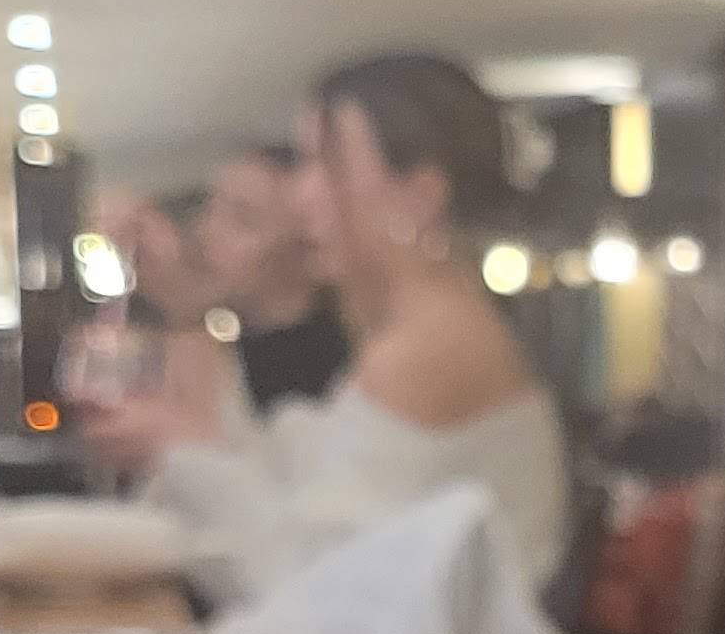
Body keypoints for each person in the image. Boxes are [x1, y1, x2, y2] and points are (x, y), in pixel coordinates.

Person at [95, 53, 566, 604]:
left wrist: (183, 448)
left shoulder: (430, 350)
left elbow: (315, 586)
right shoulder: (433, 331)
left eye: (327, 163)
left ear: (419, 197)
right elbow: (302, 500)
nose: (303, 197)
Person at [192, 147, 352, 410]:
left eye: (242, 219)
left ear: (308, 250)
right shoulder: (226, 352)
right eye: (209, 208)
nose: (204, 231)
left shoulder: (337, 380)